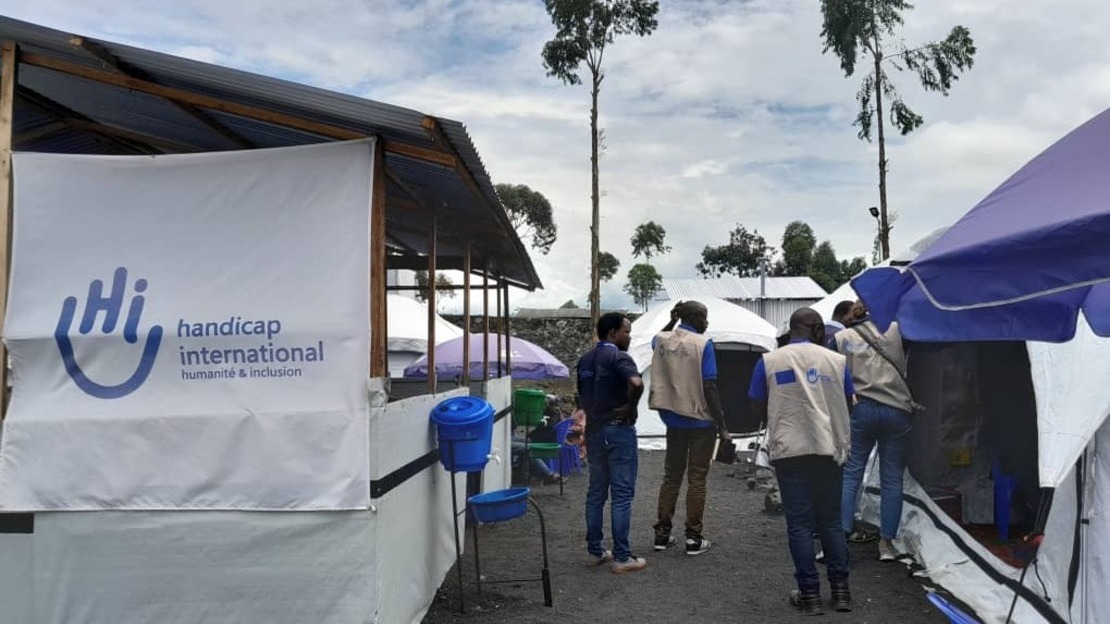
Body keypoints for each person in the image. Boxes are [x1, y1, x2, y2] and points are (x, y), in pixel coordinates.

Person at [749, 308, 854, 615]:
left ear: (792, 329)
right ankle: (841, 592)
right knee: (831, 523)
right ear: (819, 330)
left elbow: (756, 404)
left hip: (790, 451)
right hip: (829, 450)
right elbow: (848, 403)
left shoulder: (769, 361)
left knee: (799, 526)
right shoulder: (836, 362)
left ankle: (808, 595)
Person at [835, 301, 914, 563]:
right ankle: (886, 543)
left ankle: (842, 537)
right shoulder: (899, 330)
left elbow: (835, 375)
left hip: (862, 409)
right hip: (897, 409)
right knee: (892, 479)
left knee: (851, 473)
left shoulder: (842, 337)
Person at [649, 300, 729, 556]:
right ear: (696, 318)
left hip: (673, 420)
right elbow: (710, 386)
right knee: (697, 479)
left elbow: (659, 337)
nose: (707, 323)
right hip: (701, 421)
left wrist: (673, 320)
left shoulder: (662, 341)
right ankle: (693, 538)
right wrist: (723, 425)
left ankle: (661, 536)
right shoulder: (704, 344)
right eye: (704, 318)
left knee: (671, 477)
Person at [576, 312, 646, 574]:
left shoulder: (584, 359)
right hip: (618, 431)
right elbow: (636, 382)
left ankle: (596, 551)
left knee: (596, 493)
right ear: (612, 333)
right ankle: (622, 557)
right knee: (621, 495)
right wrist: (630, 405)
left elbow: (580, 396)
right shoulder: (619, 357)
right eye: (626, 331)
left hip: (594, 431)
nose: (629, 336)